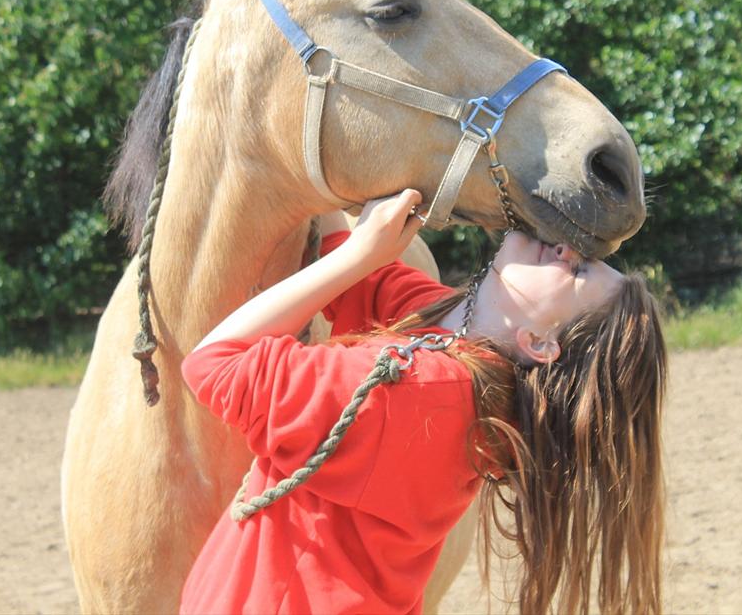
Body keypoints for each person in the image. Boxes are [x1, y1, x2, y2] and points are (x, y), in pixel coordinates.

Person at [180, 189, 667, 615]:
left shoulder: (423, 392)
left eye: (578, 271)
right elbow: (361, 272)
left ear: (540, 343)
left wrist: (355, 259)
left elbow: (214, 365)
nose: (566, 249)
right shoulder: (464, 352)